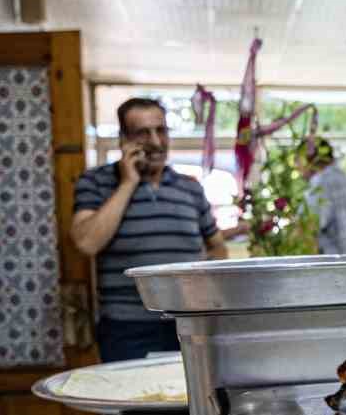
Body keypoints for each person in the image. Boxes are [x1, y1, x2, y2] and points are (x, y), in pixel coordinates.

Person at [71, 97, 228, 362]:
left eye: (161, 130)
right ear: (124, 139)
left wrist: (198, 289)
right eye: (143, 133)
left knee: (192, 404)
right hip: (127, 330)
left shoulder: (190, 187)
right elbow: (87, 243)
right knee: (136, 402)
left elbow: (218, 248)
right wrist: (127, 183)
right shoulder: (95, 182)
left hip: (190, 325)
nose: (156, 142)